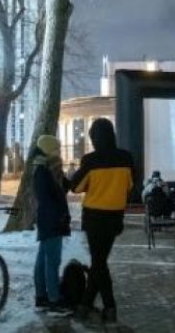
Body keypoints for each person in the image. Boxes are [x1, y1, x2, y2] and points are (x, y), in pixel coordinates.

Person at [69, 118, 134, 323]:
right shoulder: (126, 157)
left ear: (94, 138)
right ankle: (85, 305)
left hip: (95, 218)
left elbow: (76, 187)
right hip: (115, 218)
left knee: (98, 263)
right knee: (99, 263)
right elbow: (130, 186)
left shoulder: (90, 160)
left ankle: (109, 308)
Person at [32, 135, 72, 316]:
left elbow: (65, 187)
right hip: (52, 221)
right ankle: (54, 300)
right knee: (52, 262)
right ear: (49, 149)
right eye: (56, 148)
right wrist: (59, 218)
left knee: (43, 260)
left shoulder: (47, 168)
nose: (59, 151)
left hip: (49, 220)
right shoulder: (43, 170)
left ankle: (41, 297)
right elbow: (51, 198)